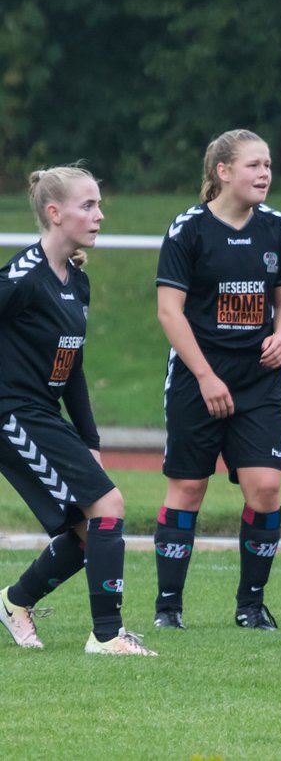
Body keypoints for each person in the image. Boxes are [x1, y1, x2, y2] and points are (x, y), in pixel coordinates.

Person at [0, 166, 156, 656]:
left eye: (98, 204)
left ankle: (14, 602)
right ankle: (107, 636)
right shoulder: (23, 278)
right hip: (14, 414)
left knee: (91, 532)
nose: (99, 214)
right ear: (54, 213)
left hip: (45, 411)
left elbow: (73, 367)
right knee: (109, 507)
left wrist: (90, 439)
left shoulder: (76, 282)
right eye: (87, 206)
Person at [151, 129, 281, 632]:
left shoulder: (276, 227)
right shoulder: (188, 229)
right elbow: (169, 313)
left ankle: (250, 606)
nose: (265, 174)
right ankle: (168, 607)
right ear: (223, 172)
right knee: (189, 487)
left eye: (268, 165)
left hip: (258, 381)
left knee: (266, 488)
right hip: (199, 377)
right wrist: (206, 375)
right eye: (254, 165)